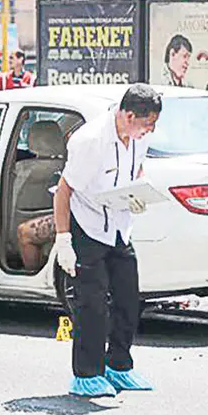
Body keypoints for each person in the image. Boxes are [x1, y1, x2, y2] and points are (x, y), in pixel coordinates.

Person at [52, 83, 162, 397]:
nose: (150, 130)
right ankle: (87, 374)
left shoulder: (140, 136)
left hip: (118, 224)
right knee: (92, 303)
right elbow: (64, 191)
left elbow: (135, 168)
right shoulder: (91, 141)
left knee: (128, 298)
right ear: (128, 115)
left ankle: (119, 365)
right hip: (86, 224)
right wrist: (64, 241)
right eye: (147, 123)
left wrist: (139, 190)